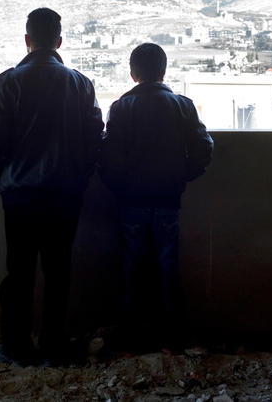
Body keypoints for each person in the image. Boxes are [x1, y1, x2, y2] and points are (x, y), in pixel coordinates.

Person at [0, 7, 104, 367]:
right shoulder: (80, 83)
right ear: (59, 41)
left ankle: (17, 348)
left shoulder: (8, 82)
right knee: (58, 273)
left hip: (20, 195)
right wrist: (79, 178)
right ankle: (53, 348)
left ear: (27, 40)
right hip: (65, 195)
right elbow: (94, 137)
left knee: (18, 274)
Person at [98, 42, 214, 354]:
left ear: (132, 73)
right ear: (163, 72)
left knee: (131, 271)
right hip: (167, 202)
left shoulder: (121, 107)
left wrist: (119, 185)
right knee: (168, 270)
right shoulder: (183, 105)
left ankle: (129, 342)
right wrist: (182, 175)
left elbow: (109, 159)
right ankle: (173, 341)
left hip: (131, 203)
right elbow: (204, 148)